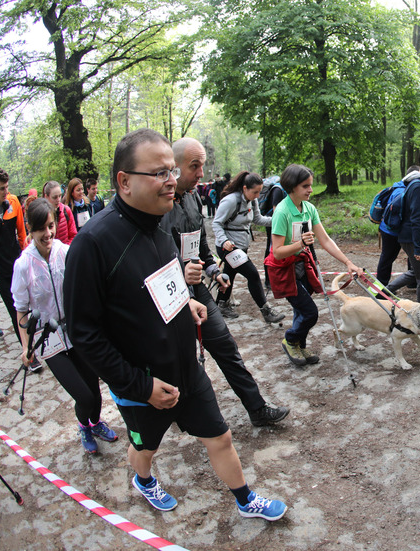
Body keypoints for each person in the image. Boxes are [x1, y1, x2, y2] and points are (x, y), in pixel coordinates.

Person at [62, 128, 287, 520]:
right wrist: (141, 386)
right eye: (160, 172)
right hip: (142, 386)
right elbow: (83, 334)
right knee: (145, 449)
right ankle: (144, 480)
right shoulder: (92, 245)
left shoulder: (159, 224)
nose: (172, 180)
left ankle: (245, 498)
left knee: (219, 436)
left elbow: (163, 284)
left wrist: (186, 305)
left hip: (187, 368)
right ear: (124, 181)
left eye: (172, 170)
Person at [160, 137, 289, 427]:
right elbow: (152, 259)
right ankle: (171, 414)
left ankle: (257, 409)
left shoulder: (193, 198)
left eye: (202, 166)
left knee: (226, 347)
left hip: (197, 289)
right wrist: (181, 273)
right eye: (195, 166)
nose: (202, 174)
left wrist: (212, 270)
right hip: (168, 297)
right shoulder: (159, 205)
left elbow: (200, 246)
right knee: (177, 359)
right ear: (175, 167)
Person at [12, 198, 118, 453]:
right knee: (84, 396)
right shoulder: (23, 265)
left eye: (50, 226)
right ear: (30, 228)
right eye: (40, 229)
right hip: (48, 339)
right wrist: (26, 346)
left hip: (77, 331)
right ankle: (84, 426)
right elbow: (21, 311)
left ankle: (95, 422)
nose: (47, 234)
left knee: (95, 389)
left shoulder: (66, 252)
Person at [265, 163, 366, 367]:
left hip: (304, 266)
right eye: (305, 186)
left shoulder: (309, 208)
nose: (311, 190)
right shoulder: (282, 212)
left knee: (301, 311)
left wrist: (348, 262)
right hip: (285, 270)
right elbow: (276, 252)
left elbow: (325, 240)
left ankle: (300, 346)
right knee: (310, 312)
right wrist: (300, 244)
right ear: (292, 186)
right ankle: (291, 339)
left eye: (311, 185)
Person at [211, 171, 286, 323]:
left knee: (229, 274)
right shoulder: (231, 201)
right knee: (253, 275)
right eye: (255, 192)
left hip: (241, 246)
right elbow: (216, 223)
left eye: (259, 192)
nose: (258, 195)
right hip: (229, 248)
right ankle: (266, 311)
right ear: (244, 188)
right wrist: (224, 240)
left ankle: (221, 304)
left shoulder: (252, 200)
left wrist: (279, 220)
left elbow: (258, 219)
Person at [384, 144, 420, 305]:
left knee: (417, 272)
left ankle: (383, 292)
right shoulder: (417, 185)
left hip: (413, 236)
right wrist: (418, 247)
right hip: (411, 236)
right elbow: (415, 218)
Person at [0, 168, 29, 345]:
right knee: (15, 308)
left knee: (30, 303)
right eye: (1, 189)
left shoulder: (13, 201)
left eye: (7, 187)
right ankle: (27, 349)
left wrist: (25, 257)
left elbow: (22, 233)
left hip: (17, 263)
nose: (6, 192)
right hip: (0, 270)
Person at [376, 165, 419, 287]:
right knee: (389, 257)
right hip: (393, 230)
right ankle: (381, 288)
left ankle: (412, 282)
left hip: (387, 228)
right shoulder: (404, 192)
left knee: (390, 257)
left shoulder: (397, 186)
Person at [43, 180, 78, 244]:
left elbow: (73, 235)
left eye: (60, 196)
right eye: (54, 197)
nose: (58, 200)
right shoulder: (42, 215)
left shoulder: (66, 210)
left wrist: (64, 250)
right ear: (46, 197)